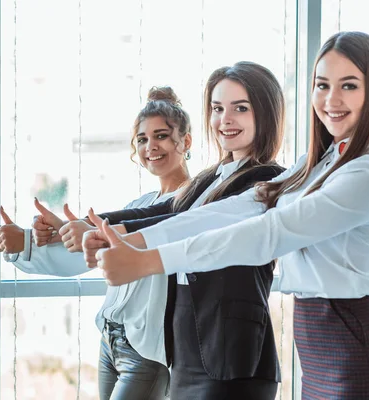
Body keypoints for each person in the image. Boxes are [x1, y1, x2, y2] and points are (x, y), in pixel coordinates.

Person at [87, 32, 369, 399]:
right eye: (322, 85)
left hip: (358, 362)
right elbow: (231, 211)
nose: (331, 99)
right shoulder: (319, 163)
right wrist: (134, 242)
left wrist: (149, 261)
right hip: (321, 358)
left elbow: (267, 234)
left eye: (349, 85)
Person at [63, 61, 286, 399]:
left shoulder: (268, 180)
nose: (225, 119)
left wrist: (118, 237)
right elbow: (162, 210)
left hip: (231, 354)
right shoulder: (211, 177)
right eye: (217, 108)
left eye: (240, 108)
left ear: (266, 113)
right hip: (185, 346)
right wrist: (92, 225)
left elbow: (190, 224)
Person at [0, 86, 192, 400]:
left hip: (147, 351)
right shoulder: (143, 200)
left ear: (186, 141)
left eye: (161, 136)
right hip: (111, 339)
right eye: (142, 139)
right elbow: (90, 254)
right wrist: (26, 245)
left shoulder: (196, 203)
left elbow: (149, 229)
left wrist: (40, 237)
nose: (151, 146)